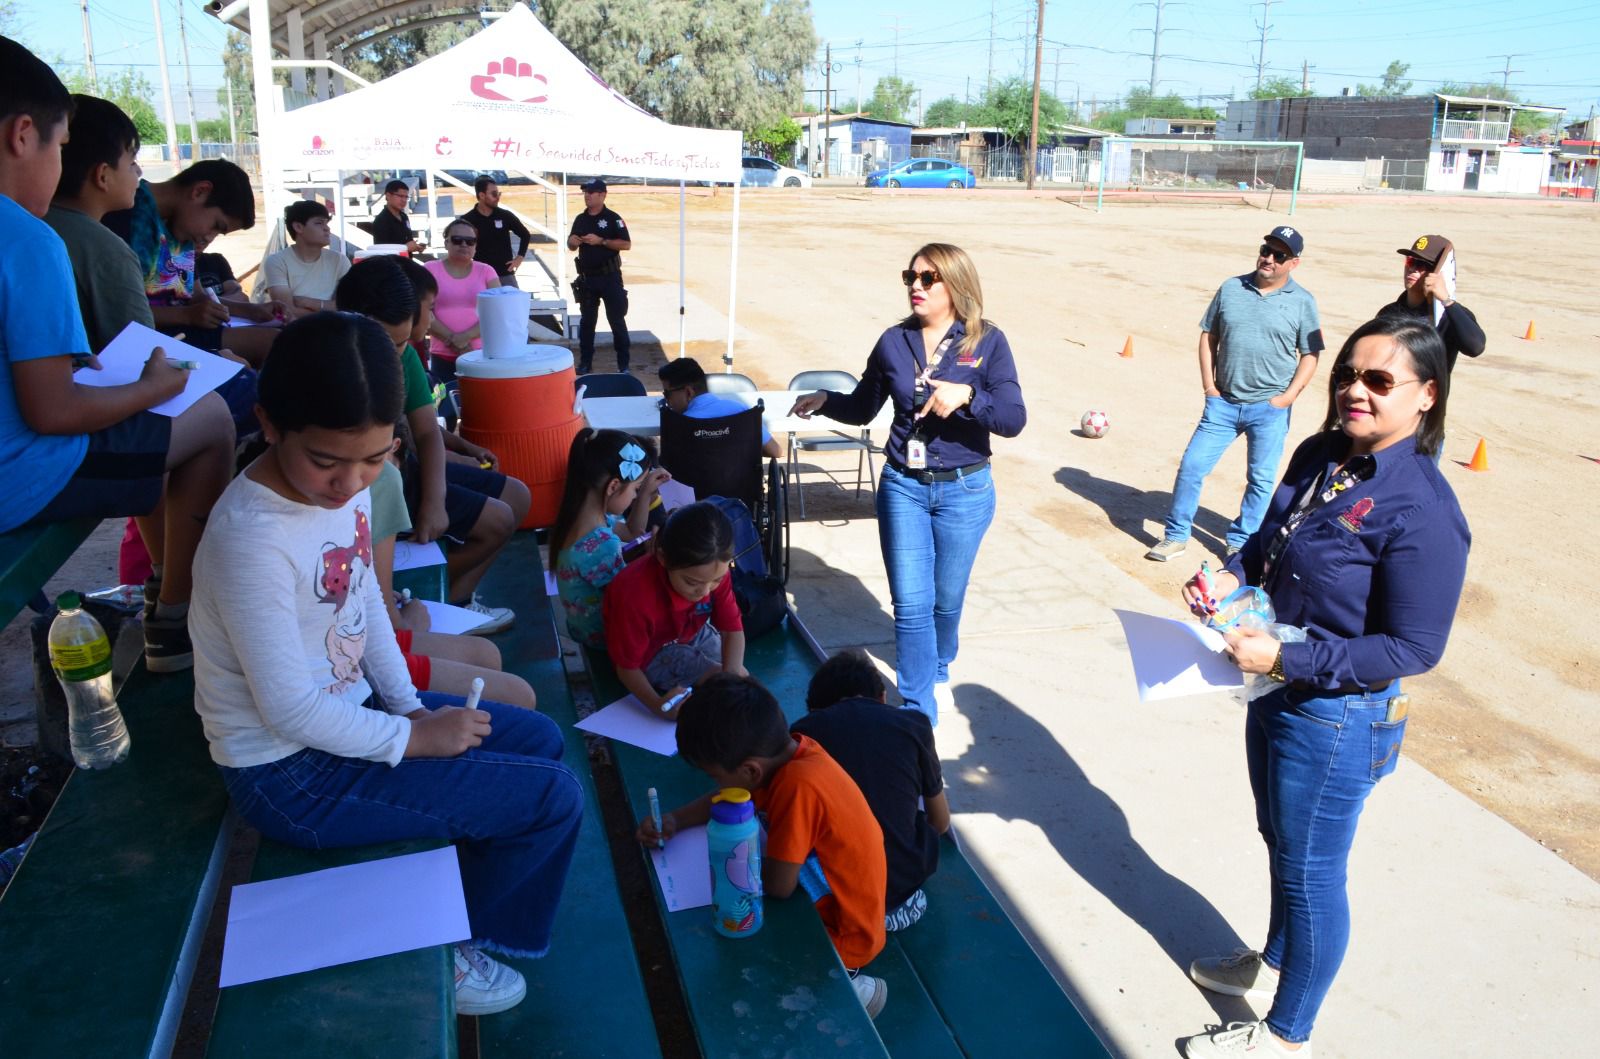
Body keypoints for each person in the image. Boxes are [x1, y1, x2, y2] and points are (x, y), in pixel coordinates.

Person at [189, 312, 582, 1017]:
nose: (350, 483)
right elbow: (288, 710)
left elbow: (364, 599)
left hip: (350, 720)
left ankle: (456, 894)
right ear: (270, 424)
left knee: (540, 737)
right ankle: (465, 940)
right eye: (328, 461)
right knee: (552, 797)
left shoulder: (345, 487)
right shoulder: (252, 539)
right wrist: (413, 737)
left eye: (373, 458)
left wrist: (407, 706)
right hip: (287, 773)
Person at [1176, 315, 1470, 1059]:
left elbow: (1413, 645)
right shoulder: (1318, 454)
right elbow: (1265, 542)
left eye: (1379, 380)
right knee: (1278, 838)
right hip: (1273, 688)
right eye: (1347, 373)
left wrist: (1285, 659)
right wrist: (1228, 574)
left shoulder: (1423, 509)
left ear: (1426, 395)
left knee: (1311, 872)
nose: (1354, 390)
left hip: (1336, 718)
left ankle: (1286, 1032)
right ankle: (1273, 959)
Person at [0, 40, 234, 671]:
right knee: (208, 418)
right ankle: (176, 619)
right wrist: (153, 389)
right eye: (58, 144)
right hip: (16, 474)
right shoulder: (29, 239)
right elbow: (52, 411)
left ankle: (163, 590)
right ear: (23, 136)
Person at [789, 243, 1025, 724]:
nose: (915, 286)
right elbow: (862, 406)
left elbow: (1013, 419)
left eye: (928, 278)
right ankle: (919, 709)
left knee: (946, 598)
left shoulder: (988, 343)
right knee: (912, 604)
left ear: (956, 284)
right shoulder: (892, 342)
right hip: (903, 485)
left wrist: (968, 395)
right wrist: (824, 399)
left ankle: (939, 658)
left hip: (966, 489)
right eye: (910, 277)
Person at [639, 673, 889, 1019]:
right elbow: (729, 794)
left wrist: (729, 855)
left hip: (843, 933)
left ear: (750, 771)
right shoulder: (788, 755)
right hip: (832, 900)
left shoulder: (798, 786)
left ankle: (849, 988)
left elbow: (777, 887)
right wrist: (676, 820)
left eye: (715, 776)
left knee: (753, 984)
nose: (716, 784)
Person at [336, 256, 525, 633]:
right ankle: (426, 600)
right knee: (498, 517)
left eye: (403, 341)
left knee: (517, 494)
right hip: (377, 484)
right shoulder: (339, 363)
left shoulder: (402, 354)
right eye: (430, 309)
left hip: (400, 473)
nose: (410, 344)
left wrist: (434, 500)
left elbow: (425, 431)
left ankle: (452, 602)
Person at [1146, 226, 1325, 564]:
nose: (1268, 258)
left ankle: (1241, 544)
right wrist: (1209, 387)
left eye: (1279, 255)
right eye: (1266, 250)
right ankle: (1175, 536)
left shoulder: (1303, 302)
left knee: (1260, 480)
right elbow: (1207, 336)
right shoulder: (1231, 288)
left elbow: (1311, 355)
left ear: (1294, 263)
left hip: (1269, 409)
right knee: (1191, 467)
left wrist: (1286, 398)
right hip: (1223, 404)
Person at [366, 452, 537, 711]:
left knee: (487, 654)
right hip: (360, 660)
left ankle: (457, 606)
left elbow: (372, 589)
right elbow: (389, 622)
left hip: (367, 638)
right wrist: (409, 624)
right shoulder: (382, 483)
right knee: (521, 696)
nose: (347, 481)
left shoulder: (383, 479)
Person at [796, 649, 950, 932]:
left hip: (838, 888)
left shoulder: (804, 733)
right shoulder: (915, 725)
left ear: (815, 709)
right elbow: (939, 822)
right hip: (904, 882)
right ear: (882, 698)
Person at [103, 157, 280, 366]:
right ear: (199, 191)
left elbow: (195, 296)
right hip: (142, 344)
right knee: (248, 368)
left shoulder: (182, 228)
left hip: (180, 333)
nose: (208, 237)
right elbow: (118, 311)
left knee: (281, 341)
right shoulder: (125, 215)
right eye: (215, 225)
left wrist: (251, 311)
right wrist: (186, 315)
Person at [601, 501, 746, 718]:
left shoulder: (712, 570)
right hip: (651, 652)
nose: (705, 592)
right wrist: (657, 706)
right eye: (691, 582)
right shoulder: (634, 593)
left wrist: (732, 676)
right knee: (718, 680)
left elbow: (732, 629)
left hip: (690, 632)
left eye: (716, 581)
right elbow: (627, 667)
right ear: (663, 557)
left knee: (739, 678)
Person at [44, 94, 151, 354]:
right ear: (102, 175)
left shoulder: (33, 225)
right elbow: (142, 352)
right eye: (132, 162)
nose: (138, 173)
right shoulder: (107, 250)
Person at [549, 428, 670, 649]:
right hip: (603, 637)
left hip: (582, 626)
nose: (635, 494)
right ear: (613, 486)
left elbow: (634, 532)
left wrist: (644, 495)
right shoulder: (600, 544)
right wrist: (653, 559)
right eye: (635, 489)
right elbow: (629, 601)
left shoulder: (584, 516)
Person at [1381, 234, 1485, 376]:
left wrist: (1446, 300)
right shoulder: (1388, 313)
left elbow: (1475, 347)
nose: (1413, 269)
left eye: (1424, 265)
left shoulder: (1451, 316)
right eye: (1411, 261)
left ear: (1439, 273)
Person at [566, 178, 631, 374]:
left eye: (591, 192)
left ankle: (623, 365)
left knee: (617, 321)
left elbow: (626, 244)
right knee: (587, 323)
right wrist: (573, 241)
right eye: (585, 192)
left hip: (610, 277)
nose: (587, 196)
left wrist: (601, 241)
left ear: (602, 195)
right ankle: (586, 363)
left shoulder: (613, 218)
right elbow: (570, 245)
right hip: (588, 279)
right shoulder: (581, 219)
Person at [658, 356, 782, 458]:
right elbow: (776, 452)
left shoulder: (679, 425)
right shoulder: (741, 411)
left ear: (689, 393)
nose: (666, 400)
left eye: (667, 393)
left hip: (698, 488)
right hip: (743, 487)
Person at [424, 218, 500, 380]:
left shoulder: (487, 272)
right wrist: (455, 341)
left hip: (481, 354)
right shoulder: (429, 269)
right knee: (444, 403)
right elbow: (422, 311)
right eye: (457, 240)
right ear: (446, 243)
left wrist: (465, 337)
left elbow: (498, 313)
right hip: (441, 355)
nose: (464, 245)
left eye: (470, 241)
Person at [262, 200, 351, 320]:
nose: (327, 229)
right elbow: (286, 312)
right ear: (298, 227)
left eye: (327, 223)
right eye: (319, 223)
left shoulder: (339, 260)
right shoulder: (277, 262)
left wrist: (310, 303)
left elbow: (349, 306)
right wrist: (328, 309)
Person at [460, 176, 531, 287]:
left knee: (513, 303)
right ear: (482, 195)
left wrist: (519, 257)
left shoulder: (505, 215)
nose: (497, 197)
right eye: (494, 194)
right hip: (479, 276)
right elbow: (458, 246)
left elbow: (525, 235)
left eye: (498, 194)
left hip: (505, 274)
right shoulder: (467, 220)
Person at [369, 178, 422, 255]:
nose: (404, 200)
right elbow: (381, 251)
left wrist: (416, 246)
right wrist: (405, 247)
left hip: (406, 262)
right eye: (400, 196)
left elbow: (408, 240)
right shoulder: (381, 221)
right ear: (388, 196)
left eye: (406, 197)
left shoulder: (404, 216)